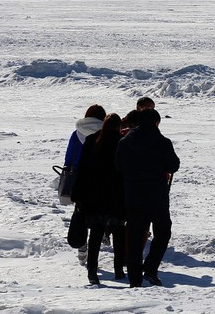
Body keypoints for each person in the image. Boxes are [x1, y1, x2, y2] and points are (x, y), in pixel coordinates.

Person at [115, 108, 180, 288]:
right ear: (156, 122)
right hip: (157, 197)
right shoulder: (163, 142)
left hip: (133, 196)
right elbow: (173, 165)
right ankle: (150, 269)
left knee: (135, 237)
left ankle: (135, 280)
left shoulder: (125, 142)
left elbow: (118, 165)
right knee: (163, 233)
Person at [72, 113, 126, 285]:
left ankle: (92, 273)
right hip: (116, 195)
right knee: (118, 233)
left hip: (94, 196)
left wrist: (77, 194)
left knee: (95, 235)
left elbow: (82, 170)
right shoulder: (123, 142)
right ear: (118, 126)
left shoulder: (92, 141)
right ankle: (118, 270)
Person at [63, 104, 106, 265]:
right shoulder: (106, 132)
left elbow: (70, 156)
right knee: (101, 211)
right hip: (100, 179)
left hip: (80, 180)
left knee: (80, 212)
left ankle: (82, 247)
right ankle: (102, 236)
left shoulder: (77, 133)